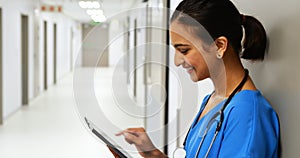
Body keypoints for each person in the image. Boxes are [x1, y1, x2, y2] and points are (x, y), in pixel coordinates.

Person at [110, 0, 280, 157]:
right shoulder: (212, 100)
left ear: (219, 46)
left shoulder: (246, 114)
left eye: (184, 50)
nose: (177, 61)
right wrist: (153, 154)